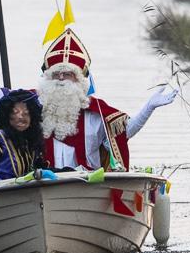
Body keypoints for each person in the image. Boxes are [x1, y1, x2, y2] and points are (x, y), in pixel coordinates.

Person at [34, 29, 177, 171]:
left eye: (67, 74)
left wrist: (149, 107)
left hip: (86, 182)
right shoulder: (32, 107)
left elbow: (124, 132)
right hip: (44, 180)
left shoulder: (96, 112)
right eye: (56, 74)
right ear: (48, 78)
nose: (60, 78)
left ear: (78, 79)